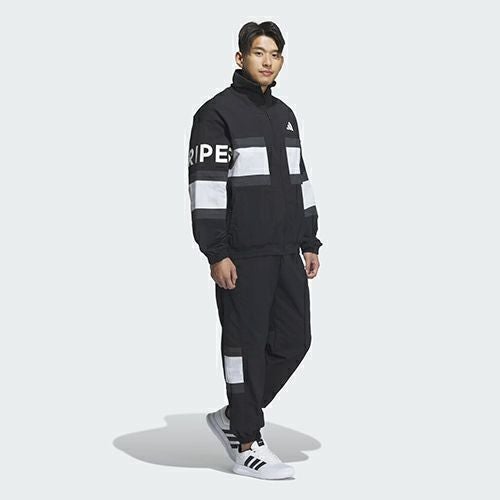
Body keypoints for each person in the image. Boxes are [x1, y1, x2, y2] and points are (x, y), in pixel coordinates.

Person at [187, 20, 323, 480]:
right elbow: (206, 188)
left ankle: (235, 414)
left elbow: (300, 180)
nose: (268, 62)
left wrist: (309, 239)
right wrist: (216, 252)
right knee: (243, 347)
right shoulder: (216, 114)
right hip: (241, 254)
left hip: (285, 250)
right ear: (240, 57)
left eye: (275, 54)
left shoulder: (284, 114)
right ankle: (247, 443)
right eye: (259, 53)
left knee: (294, 340)